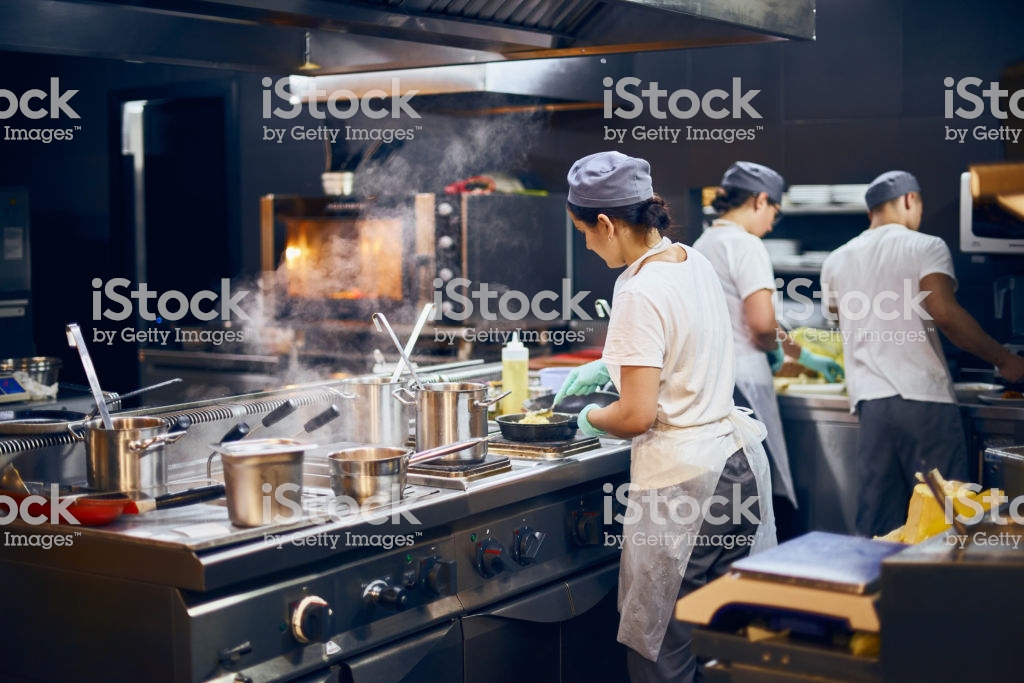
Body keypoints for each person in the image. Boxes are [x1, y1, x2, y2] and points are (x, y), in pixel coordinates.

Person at [553, 151, 777, 683]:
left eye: (584, 231)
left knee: (662, 652)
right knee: (721, 644)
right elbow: (680, 348)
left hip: (686, 486)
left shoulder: (636, 289)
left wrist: (589, 417)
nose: (586, 243)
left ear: (606, 223)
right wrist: (607, 366)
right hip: (736, 465)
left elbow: (635, 415)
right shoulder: (688, 259)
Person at [820, 170, 1024, 537]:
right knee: (947, 515)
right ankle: (942, 591)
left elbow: (836, 316)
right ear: (910, 200)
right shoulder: (924, 246)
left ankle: (873, 590)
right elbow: (945, 313)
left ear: (871, 211)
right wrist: (1005, 360)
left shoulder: (836, 259)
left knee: (879, 523)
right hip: (924, 401)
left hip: (871, 403)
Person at [693, 161, 843, 512]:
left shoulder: (702, 243)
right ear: (760, 200)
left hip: (710, 379)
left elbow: (749, 319)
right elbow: (761, 325)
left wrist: (796, 353)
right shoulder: (746, 245)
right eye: (774, 211)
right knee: (758, 483)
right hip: (745, 380)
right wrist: (778, 351)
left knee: (727, 488)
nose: (773, 222)